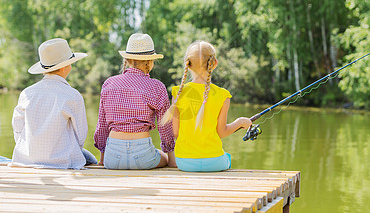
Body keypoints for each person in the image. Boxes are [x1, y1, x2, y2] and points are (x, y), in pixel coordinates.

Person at [162, 41, 252, 172]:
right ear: (214, 63)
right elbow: (222, 132)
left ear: (188, 64)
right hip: (214, 162)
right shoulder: (223, 95)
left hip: (184, 162)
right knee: (227, 157)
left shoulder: (178, 93)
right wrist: (240, 122)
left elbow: (175, 133)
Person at [10, 38, 97, 169]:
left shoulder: (26, 93)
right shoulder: (73, 96)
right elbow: (80, 135)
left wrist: (32, 150)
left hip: (27, 159)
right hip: (61, 161)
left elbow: (17, 127)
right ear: (64, 67)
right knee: (91, 159)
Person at [94, 33, 176, 169]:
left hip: (112, 159)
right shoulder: (156, 86)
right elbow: (165, 128)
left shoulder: (109, 84)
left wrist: (103, 159)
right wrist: (171, 161)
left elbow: (102, 126)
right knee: (164, 157)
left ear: (126, 60)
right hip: (143, 156)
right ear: (150, 62)